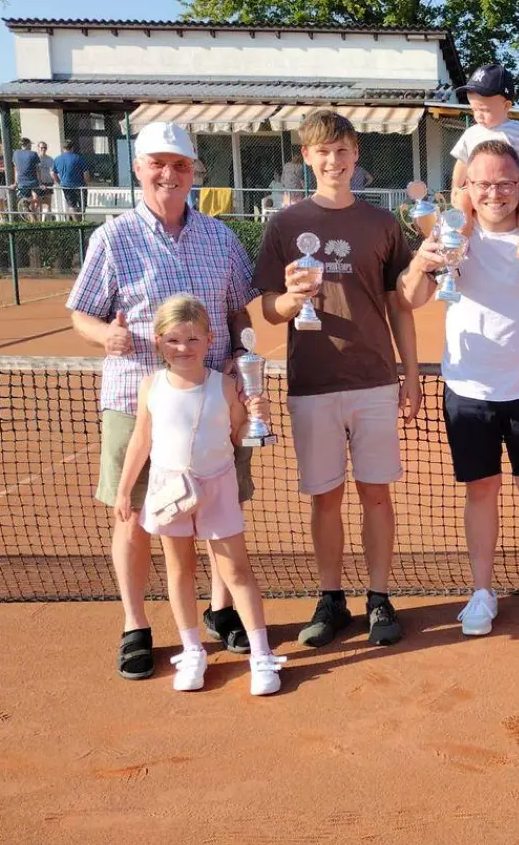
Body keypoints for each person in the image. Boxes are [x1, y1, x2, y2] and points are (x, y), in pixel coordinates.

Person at [66, 121, 261, 680]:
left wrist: (241, 358)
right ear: (138, 168)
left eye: (180, 165)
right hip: (136, 400)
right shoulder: (112, 237)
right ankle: (135, 625)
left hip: (213, 403)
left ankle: (222, 612)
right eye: (158, 164)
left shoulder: (221, 238)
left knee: (222, 513)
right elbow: (82, 313)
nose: (169, 175)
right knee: (133, 516)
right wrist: (107, 336)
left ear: (194, 172)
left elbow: (241, 309)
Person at [400, 139, 519, 636]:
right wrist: (423, 261)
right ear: (466, 186)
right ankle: (482, 592)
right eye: (482, 183)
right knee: (480, 492)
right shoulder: (449, 231)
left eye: (504, 183)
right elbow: (412, 297)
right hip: (467, 387)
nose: (494, 193)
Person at [254, 109, 420, 649]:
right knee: (324, 497)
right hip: (313, 383)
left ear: (356, 157)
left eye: (343, 151)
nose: (334, 161)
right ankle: (331, 598)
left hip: (374, 380)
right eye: (323, 152)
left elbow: (401, 306)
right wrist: (291, 299)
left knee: (376, 495)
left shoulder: (383, 225)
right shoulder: (283, 225)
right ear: (306, 157)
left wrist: (411, 373)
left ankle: (378, 597)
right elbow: (269, 311)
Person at [112, 295, 286, 695]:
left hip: (218, 488)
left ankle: (261, 656)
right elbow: (141, 439)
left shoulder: (225, 386)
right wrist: (124, 490)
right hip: (169, 491)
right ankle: (193, 650)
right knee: (179, 571)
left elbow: (239, 435)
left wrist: (259, 416)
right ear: (158, 342)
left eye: (192, 339)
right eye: (173, 340)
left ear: (209, 340)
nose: (183, 348)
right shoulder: (150, 386)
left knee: (237, 572)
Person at [449, 63, 519, 231]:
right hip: (479, 189)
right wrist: (456, 187)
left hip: (515, 188)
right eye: (474, 109)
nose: (478, 115)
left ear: (506, 106)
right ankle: (462, 235)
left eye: (484, 109)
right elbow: (462, 162)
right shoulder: (472, 133)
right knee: (462, 200)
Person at [52, 140, 91, 221]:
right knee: (82, 204)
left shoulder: (57, 159)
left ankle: (76, 223)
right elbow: (85, 172)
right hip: (79, 185)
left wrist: (59, 182)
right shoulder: (78, 158)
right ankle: (81, 222)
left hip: (66, 186)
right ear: (72, 148)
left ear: (63, 148)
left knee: (71, 205)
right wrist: (87, 184)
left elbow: (53, 173)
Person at [11, 138, 43, 217]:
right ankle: (27, 203)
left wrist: (15, 182)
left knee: (31, 201)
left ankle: (28, 207)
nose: (31, 146)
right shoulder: (33, 154)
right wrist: (41, 182)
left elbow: (16, 169)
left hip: (21, 181)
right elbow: (38, 169)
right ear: (28, 144)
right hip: (33, 181)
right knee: (39, 199)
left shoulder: (15, 153)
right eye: (30, 144)